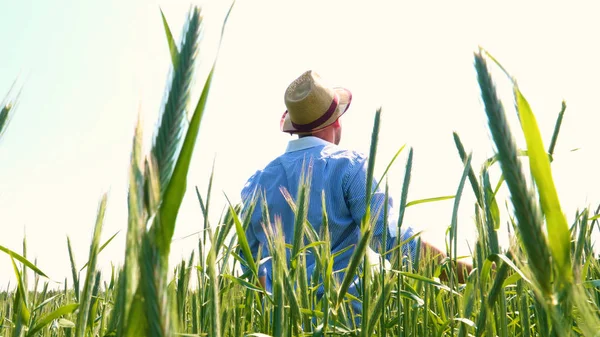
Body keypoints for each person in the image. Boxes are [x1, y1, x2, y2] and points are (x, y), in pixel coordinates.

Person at [239, 70, 471, 310]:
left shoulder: (257, 183)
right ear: (337, 120)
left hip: (278, 327)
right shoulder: (349, 168)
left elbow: (249, 263)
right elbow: (393, 244)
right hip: (342, 321)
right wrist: (468, 274)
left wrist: (279, 306)